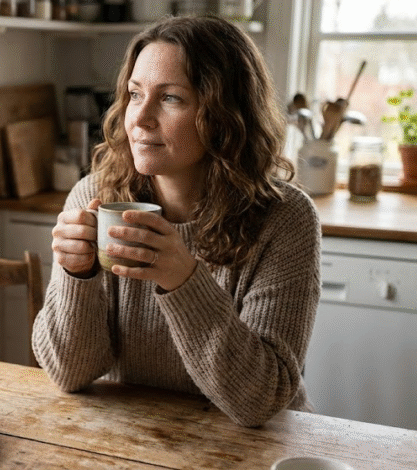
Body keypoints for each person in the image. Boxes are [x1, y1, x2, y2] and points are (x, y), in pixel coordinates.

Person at [31, 15, 321, 428]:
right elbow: (69, 373)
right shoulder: (97, 197)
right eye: (135, 95)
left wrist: (184, 279)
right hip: (140, 436)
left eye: (170, 98)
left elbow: (260, 401)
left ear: (224, 115)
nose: (140, 118)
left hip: (257, 447)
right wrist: (77, 276)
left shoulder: (286, 219)